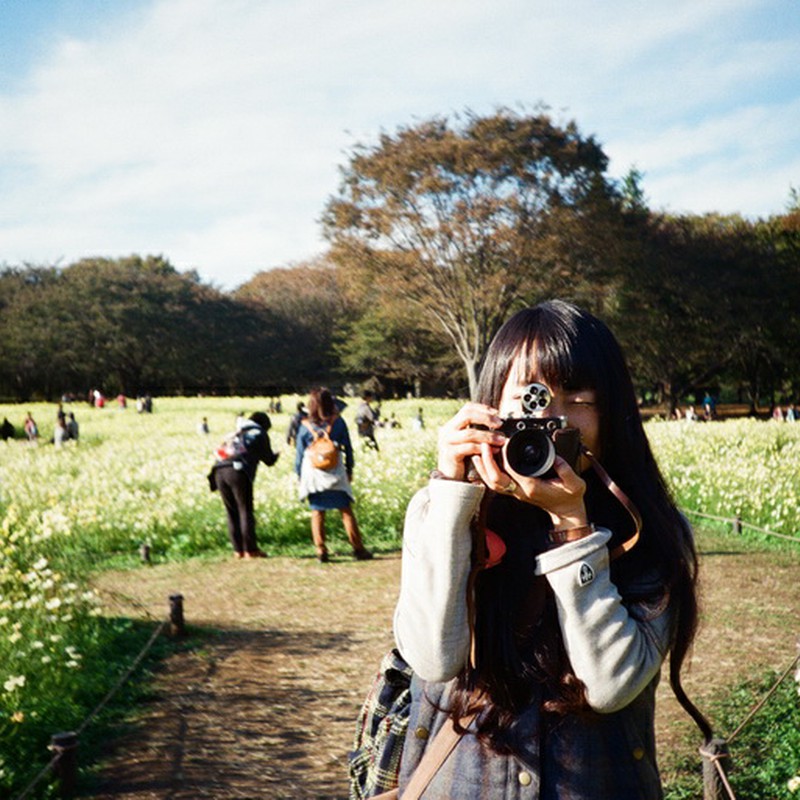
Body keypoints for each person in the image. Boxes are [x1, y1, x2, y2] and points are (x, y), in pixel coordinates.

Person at [391, 300, 705, 798]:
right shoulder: (440, 511)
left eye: (577, 399)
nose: (548, 419)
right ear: (491, 405)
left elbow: (609, 685)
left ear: (613, 414)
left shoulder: (651, 532)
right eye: (528, 397)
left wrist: (573, 528)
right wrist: (451, 494)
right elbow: (434, 660)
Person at [295, 386, 372, 563]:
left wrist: (299, 475)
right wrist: (350, 469)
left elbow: (299, 454)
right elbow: (348, 448)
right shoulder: (338, 422)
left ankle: (321, 550)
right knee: (345, 510)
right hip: (335, 471)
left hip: (313, 475)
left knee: (317, 512)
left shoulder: (305, 426)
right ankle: (358, 549)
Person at [208, 411, 279, 559]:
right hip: (238, 471)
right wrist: (276, 455)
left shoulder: (237, 431)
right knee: (245, 509)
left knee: (231, 511)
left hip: (218, 471)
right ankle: (250, 550)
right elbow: (268, 460)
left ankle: (238, 550)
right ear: (264, 425)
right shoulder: (259, 433)